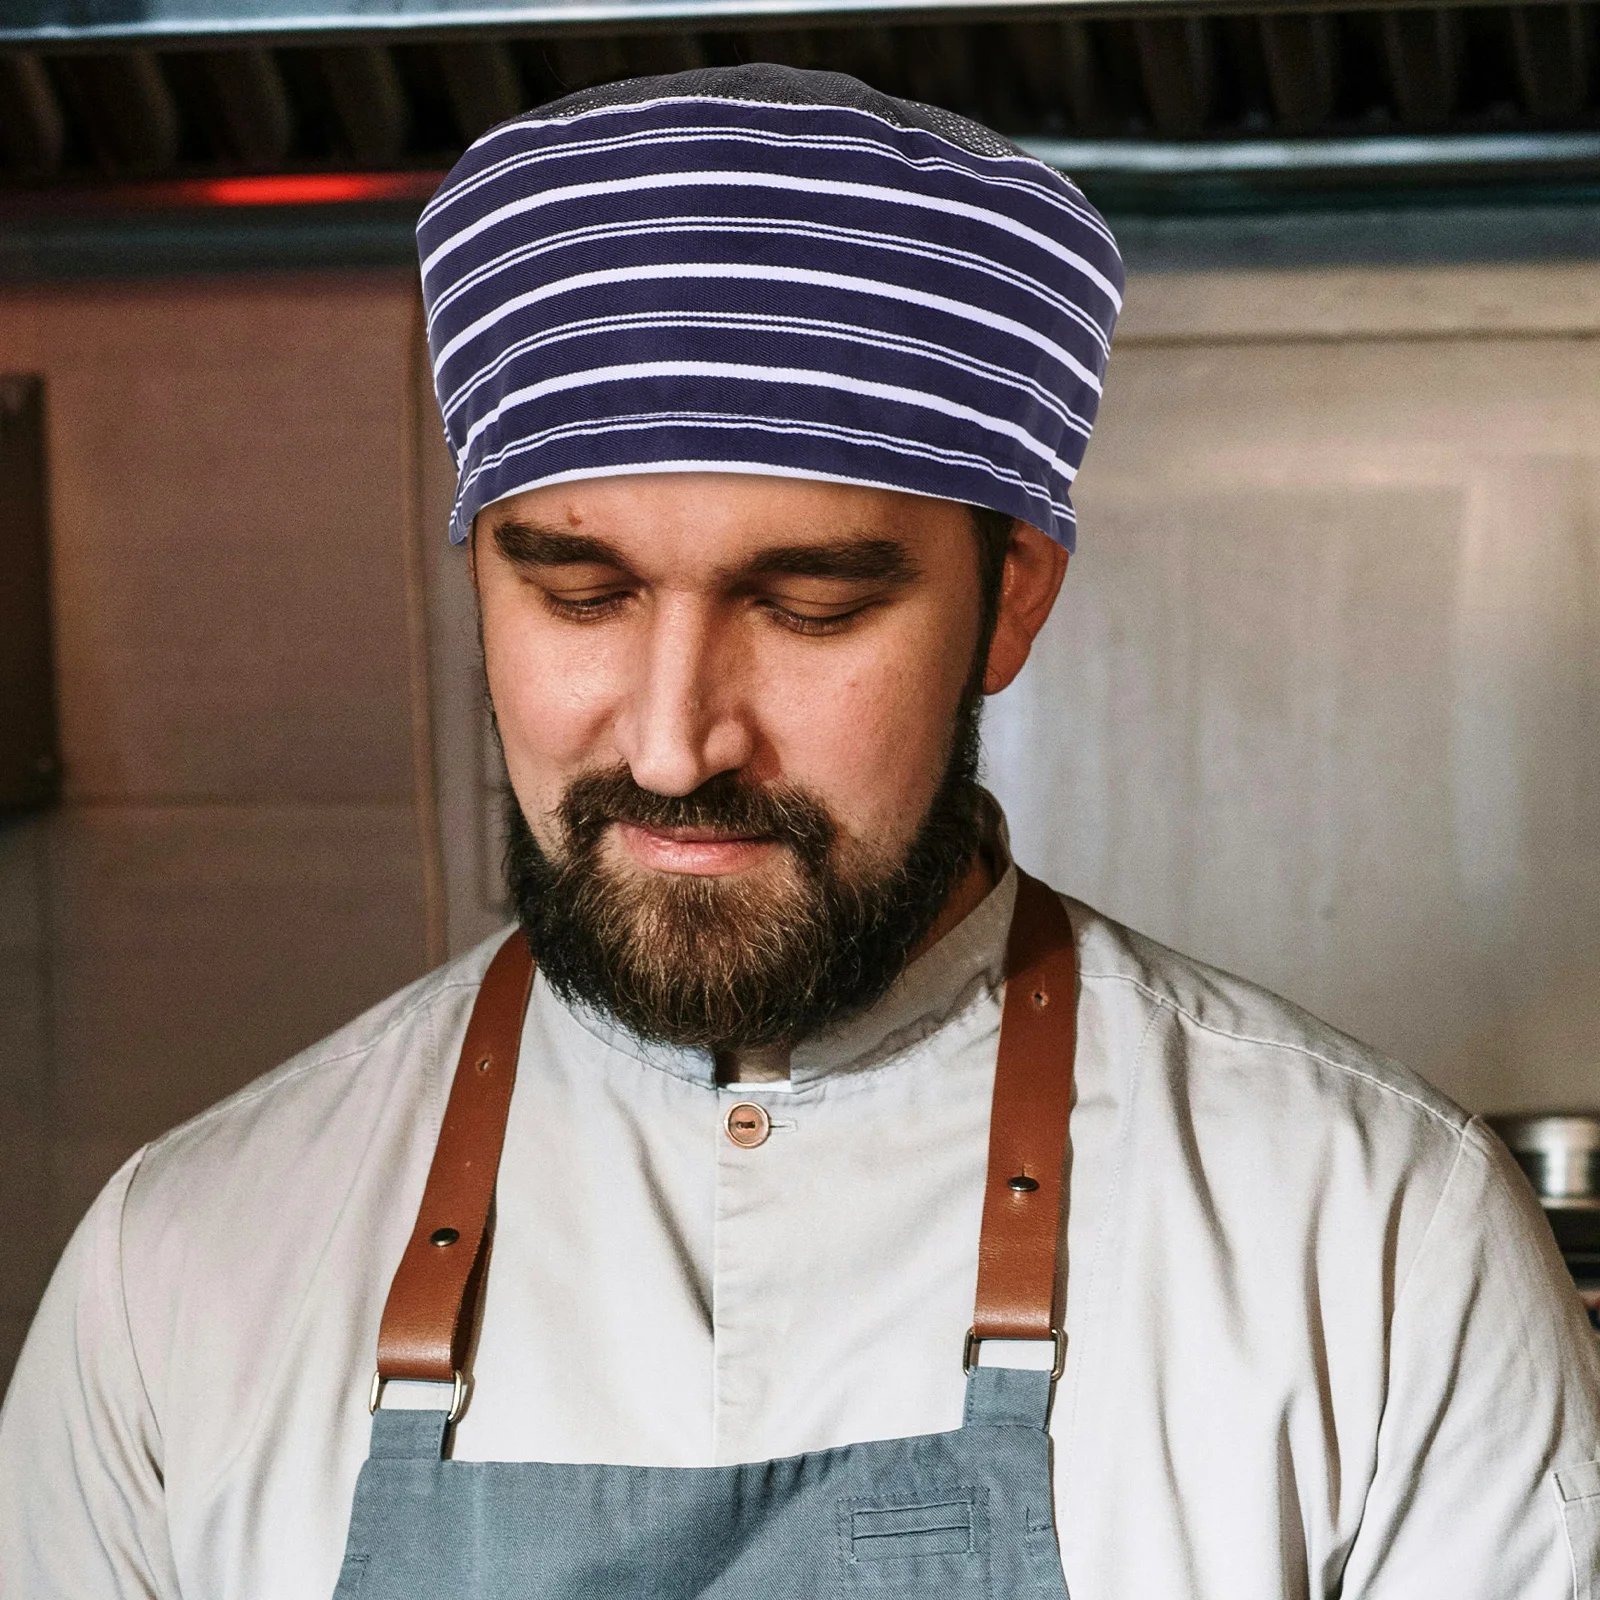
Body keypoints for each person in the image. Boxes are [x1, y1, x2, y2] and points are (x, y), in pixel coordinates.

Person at [1, 63, 1596, 1600]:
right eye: (580, 594)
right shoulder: (178, 1281)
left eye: (809, 605)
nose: (674, 741)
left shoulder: (1376, 1248)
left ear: (1011, 601)